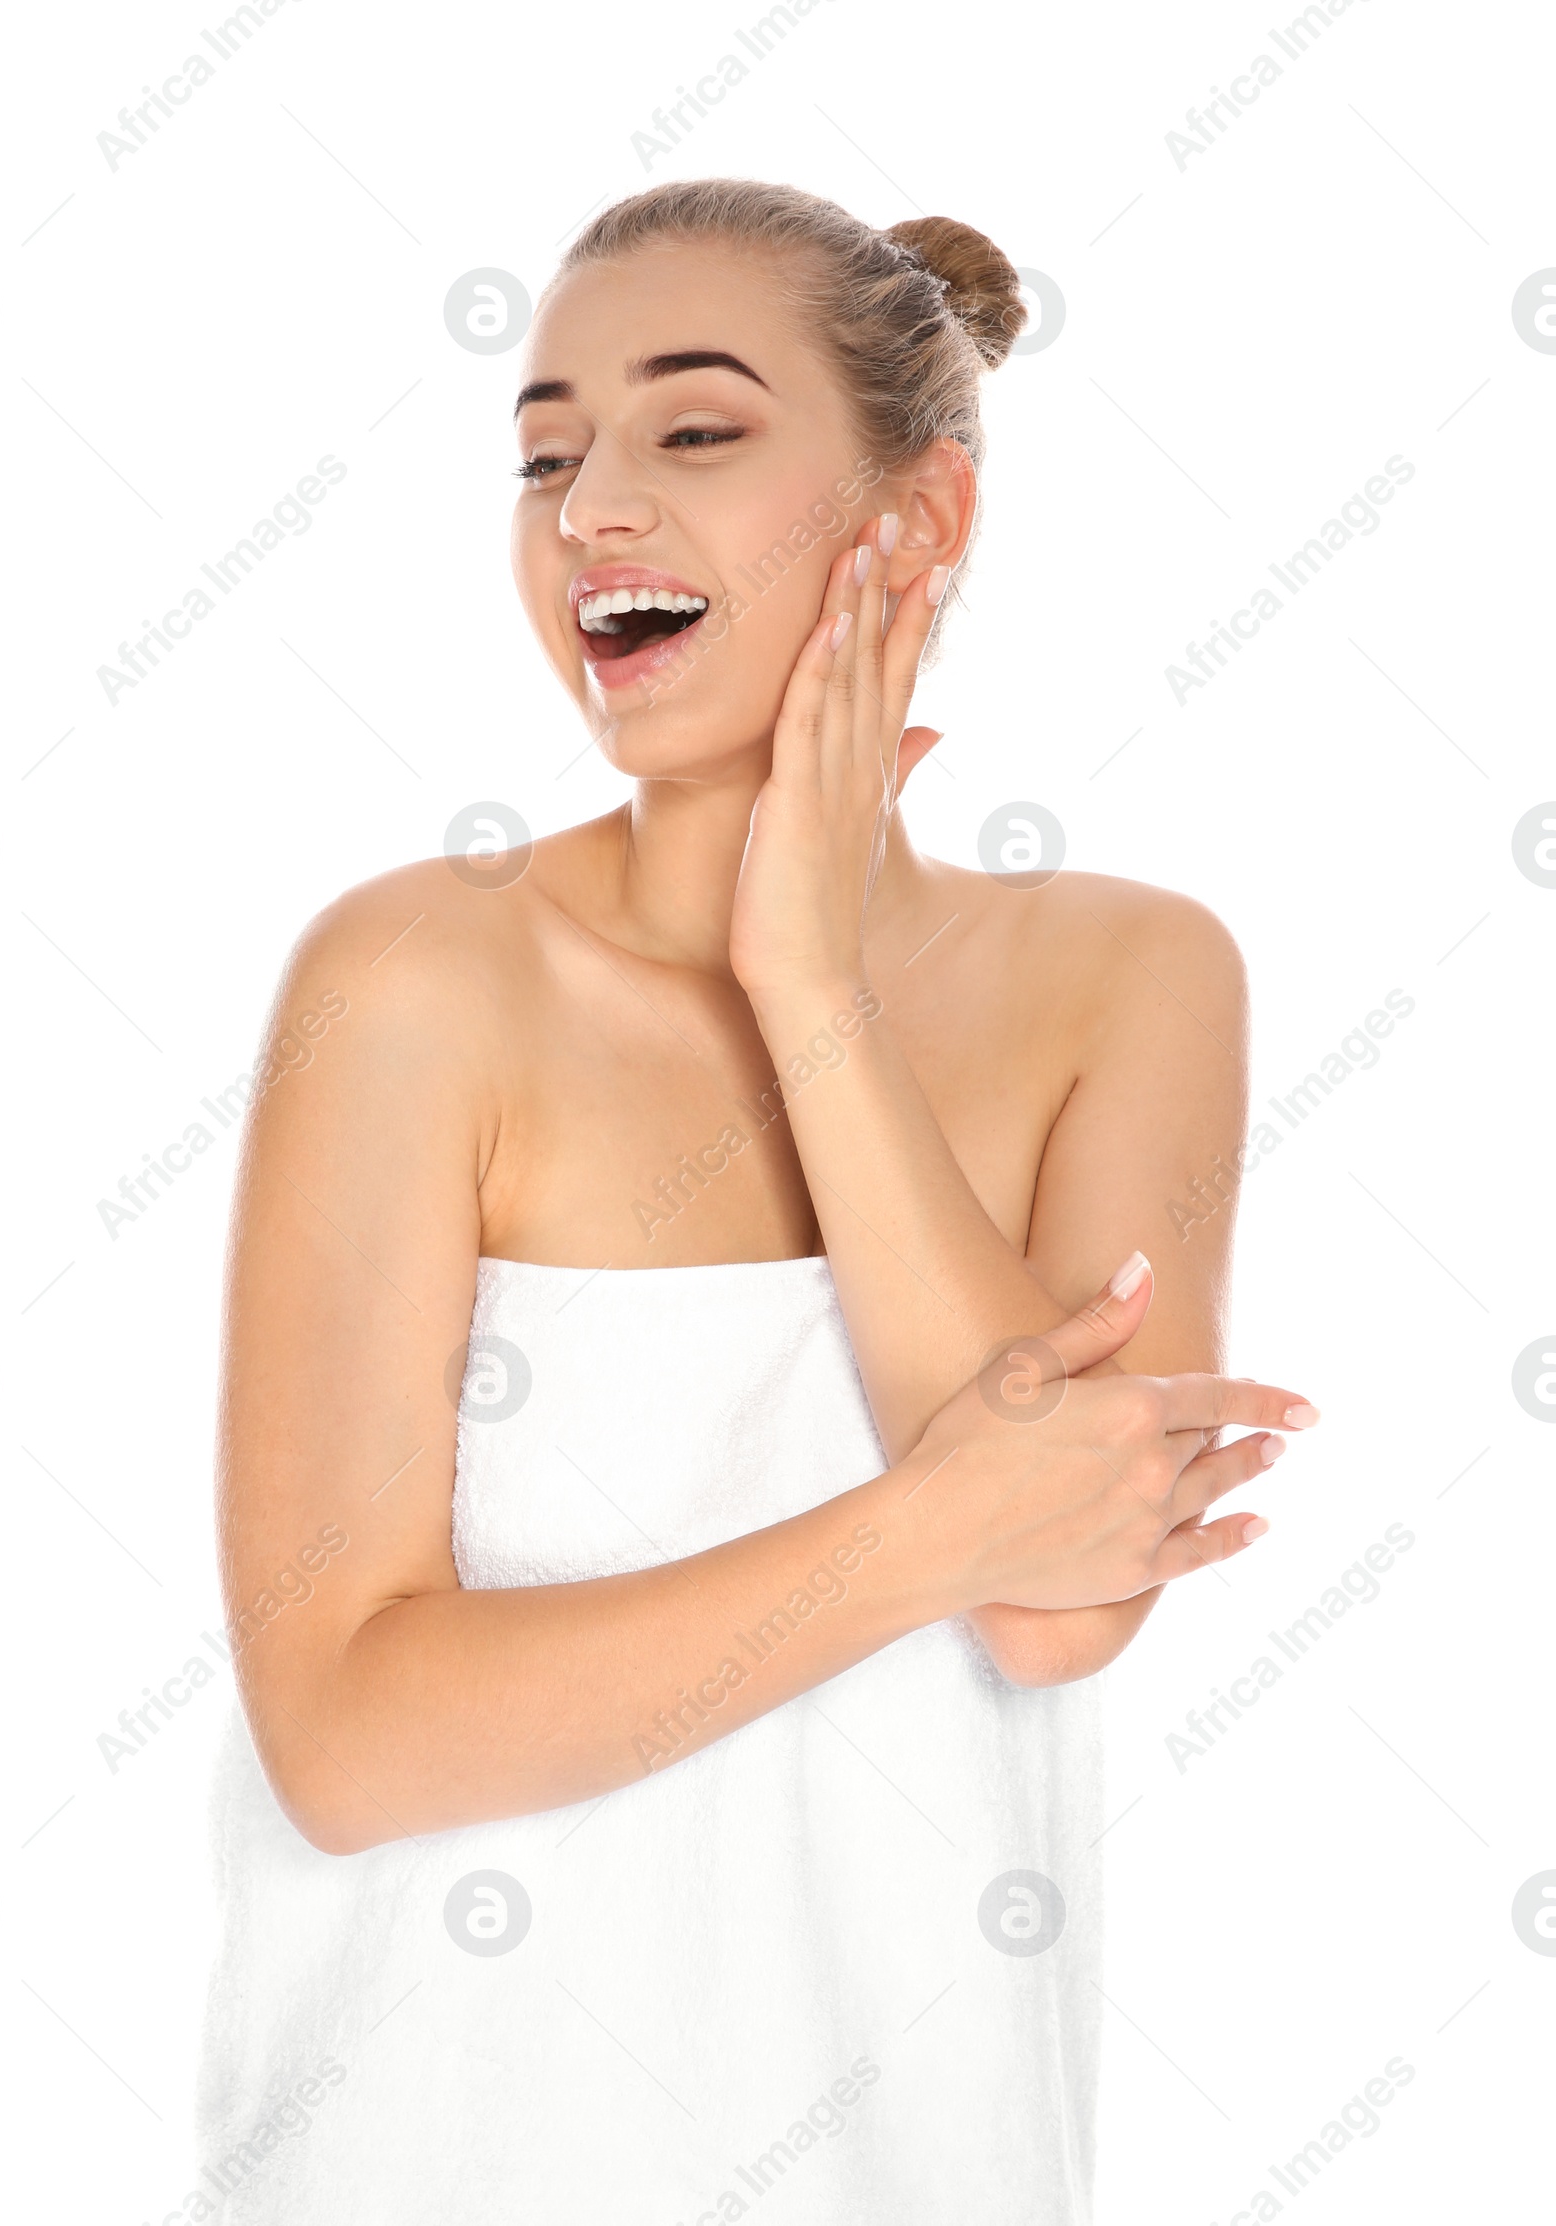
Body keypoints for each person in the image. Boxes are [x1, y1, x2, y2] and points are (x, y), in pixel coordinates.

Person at [200, 178, 1316, 2223]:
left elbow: (1062, 1608)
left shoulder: (1129, 978)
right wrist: (925, 1525)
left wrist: (805, 984)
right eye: (546, 454)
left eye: (690, 432)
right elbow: (345, 1737)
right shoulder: (414, 980)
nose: (589, 507)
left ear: (924, 519)